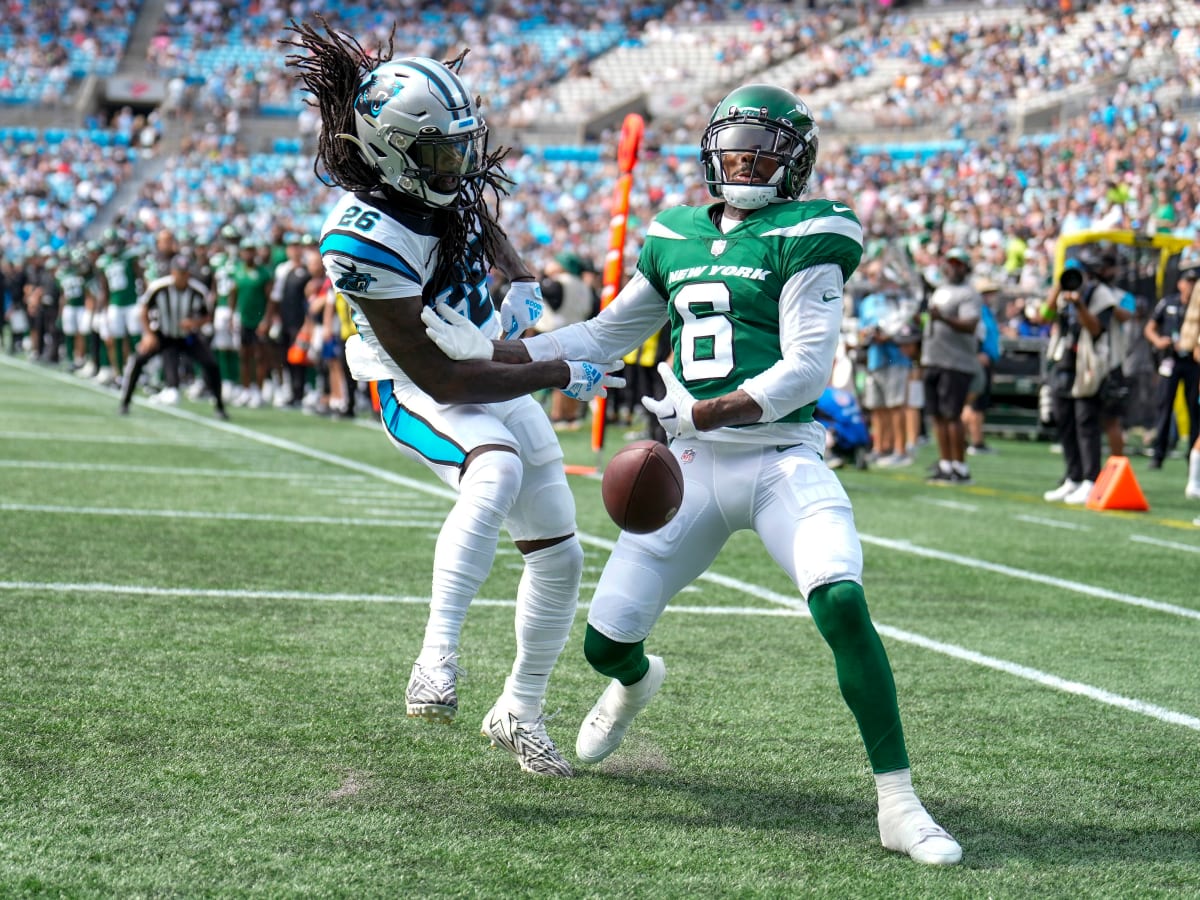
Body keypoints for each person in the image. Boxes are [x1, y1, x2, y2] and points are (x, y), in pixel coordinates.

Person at [424, 83, 961, 865]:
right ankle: (637, 682)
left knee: (840, 596)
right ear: (711, 150)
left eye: (765, 147)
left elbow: (809, 368)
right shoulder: (672, 234)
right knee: (606, 646)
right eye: (737, 144)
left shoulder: (810, 232)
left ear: (796, 161)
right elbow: (605, 335)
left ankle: (899, 802)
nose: (748, 159)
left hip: (779, 457)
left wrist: (708, 413)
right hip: (688, 469)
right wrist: (489, 352)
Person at [284, 19, 624, 777]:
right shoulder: (361, 236)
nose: (463, 163)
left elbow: (477, 218)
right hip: (419, 386)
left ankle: (519, 710)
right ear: (387, 151)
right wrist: (554, 371)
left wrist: (522, 274)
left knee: (562, 558)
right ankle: (435, 656)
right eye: (443, 152)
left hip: (480, 364)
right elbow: (440, 378)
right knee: (495, 469)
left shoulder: (440, 182)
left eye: (465, 145)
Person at [1042, 258, 1120, 504]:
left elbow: (1097, 329)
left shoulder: (1100, 294)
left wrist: (1080, 305)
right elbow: (1045, 317)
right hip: (1064, 363)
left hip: (1089, 366)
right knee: (1064, 421)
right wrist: (1056, 291)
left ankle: (1091, 479)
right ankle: (1073, 477)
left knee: (1086, 423)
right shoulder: (1062, 293)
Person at [118, 254, 229, 420]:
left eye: (185, 273)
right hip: (162, 334)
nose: (182, 276)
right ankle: (125, 402)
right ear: (172, 272)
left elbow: (207, 316)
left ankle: (219, 406)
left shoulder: (198, 291)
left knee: (211, 364)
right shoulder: (158, 287)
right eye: (179, 272)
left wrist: (193, 323)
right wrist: (149, 335)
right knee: (139, 360)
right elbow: (144, 310)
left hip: (186, 337)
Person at [921, 248, 982, 484]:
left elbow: (970, 324)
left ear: (966, 268)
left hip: (955, 362)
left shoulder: (969, 294)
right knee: (937, 415)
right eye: (950, 263)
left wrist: (942, 318)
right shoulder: (941, 290)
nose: (953, 268)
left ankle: (960, 467)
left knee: (952, 415)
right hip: (933, 358)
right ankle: (945, 464)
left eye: (958, 264)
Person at [856, 261, 915, 467]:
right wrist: (866, 334)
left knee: (895, 405)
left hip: (895, 356)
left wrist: (888, 336)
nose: (875, 280)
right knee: (877, 407)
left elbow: (907, 328)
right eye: (872, 276)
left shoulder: (899, 300)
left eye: (878, 275)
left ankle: (900, 449)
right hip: (874, 358)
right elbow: (861, 330)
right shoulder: (867, 302)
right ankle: (881, 447)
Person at [1144, 265, 1200, 470]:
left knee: (1194, 409)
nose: (1191, 286)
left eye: (1195, 282)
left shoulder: (1198, 306)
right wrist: (1158, 341)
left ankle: (1192, 457)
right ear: (1180, 283)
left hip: (1193, 362)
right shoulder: (1169, 303)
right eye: (1189, 281)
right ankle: (1158, 454)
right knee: (1164, 406)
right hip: (1171, 360)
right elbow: (1150, 328)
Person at [963, 278, 1003, 455]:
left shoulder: (987, 311)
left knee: (976, 401)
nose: (990, 296)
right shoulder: (978, 311)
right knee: (976, 402)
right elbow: (974, 335)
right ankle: (976, 441)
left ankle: (968, 439)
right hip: (979, 361)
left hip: (987, 361)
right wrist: (978, 353)